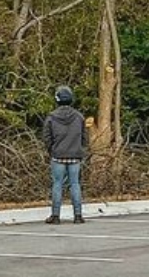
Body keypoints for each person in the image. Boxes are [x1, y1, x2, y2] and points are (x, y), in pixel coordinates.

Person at [43, 85, 88, 224]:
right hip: (75, 155)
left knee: (57, 184)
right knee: (75, 184)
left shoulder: (51, 117)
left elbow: (47, 137)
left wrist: (51, 150)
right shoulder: (79, 116)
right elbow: (84, 137)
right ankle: (78, 215)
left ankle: (55, 216)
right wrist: (80, 148)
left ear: (57, 99)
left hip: (58, 155)